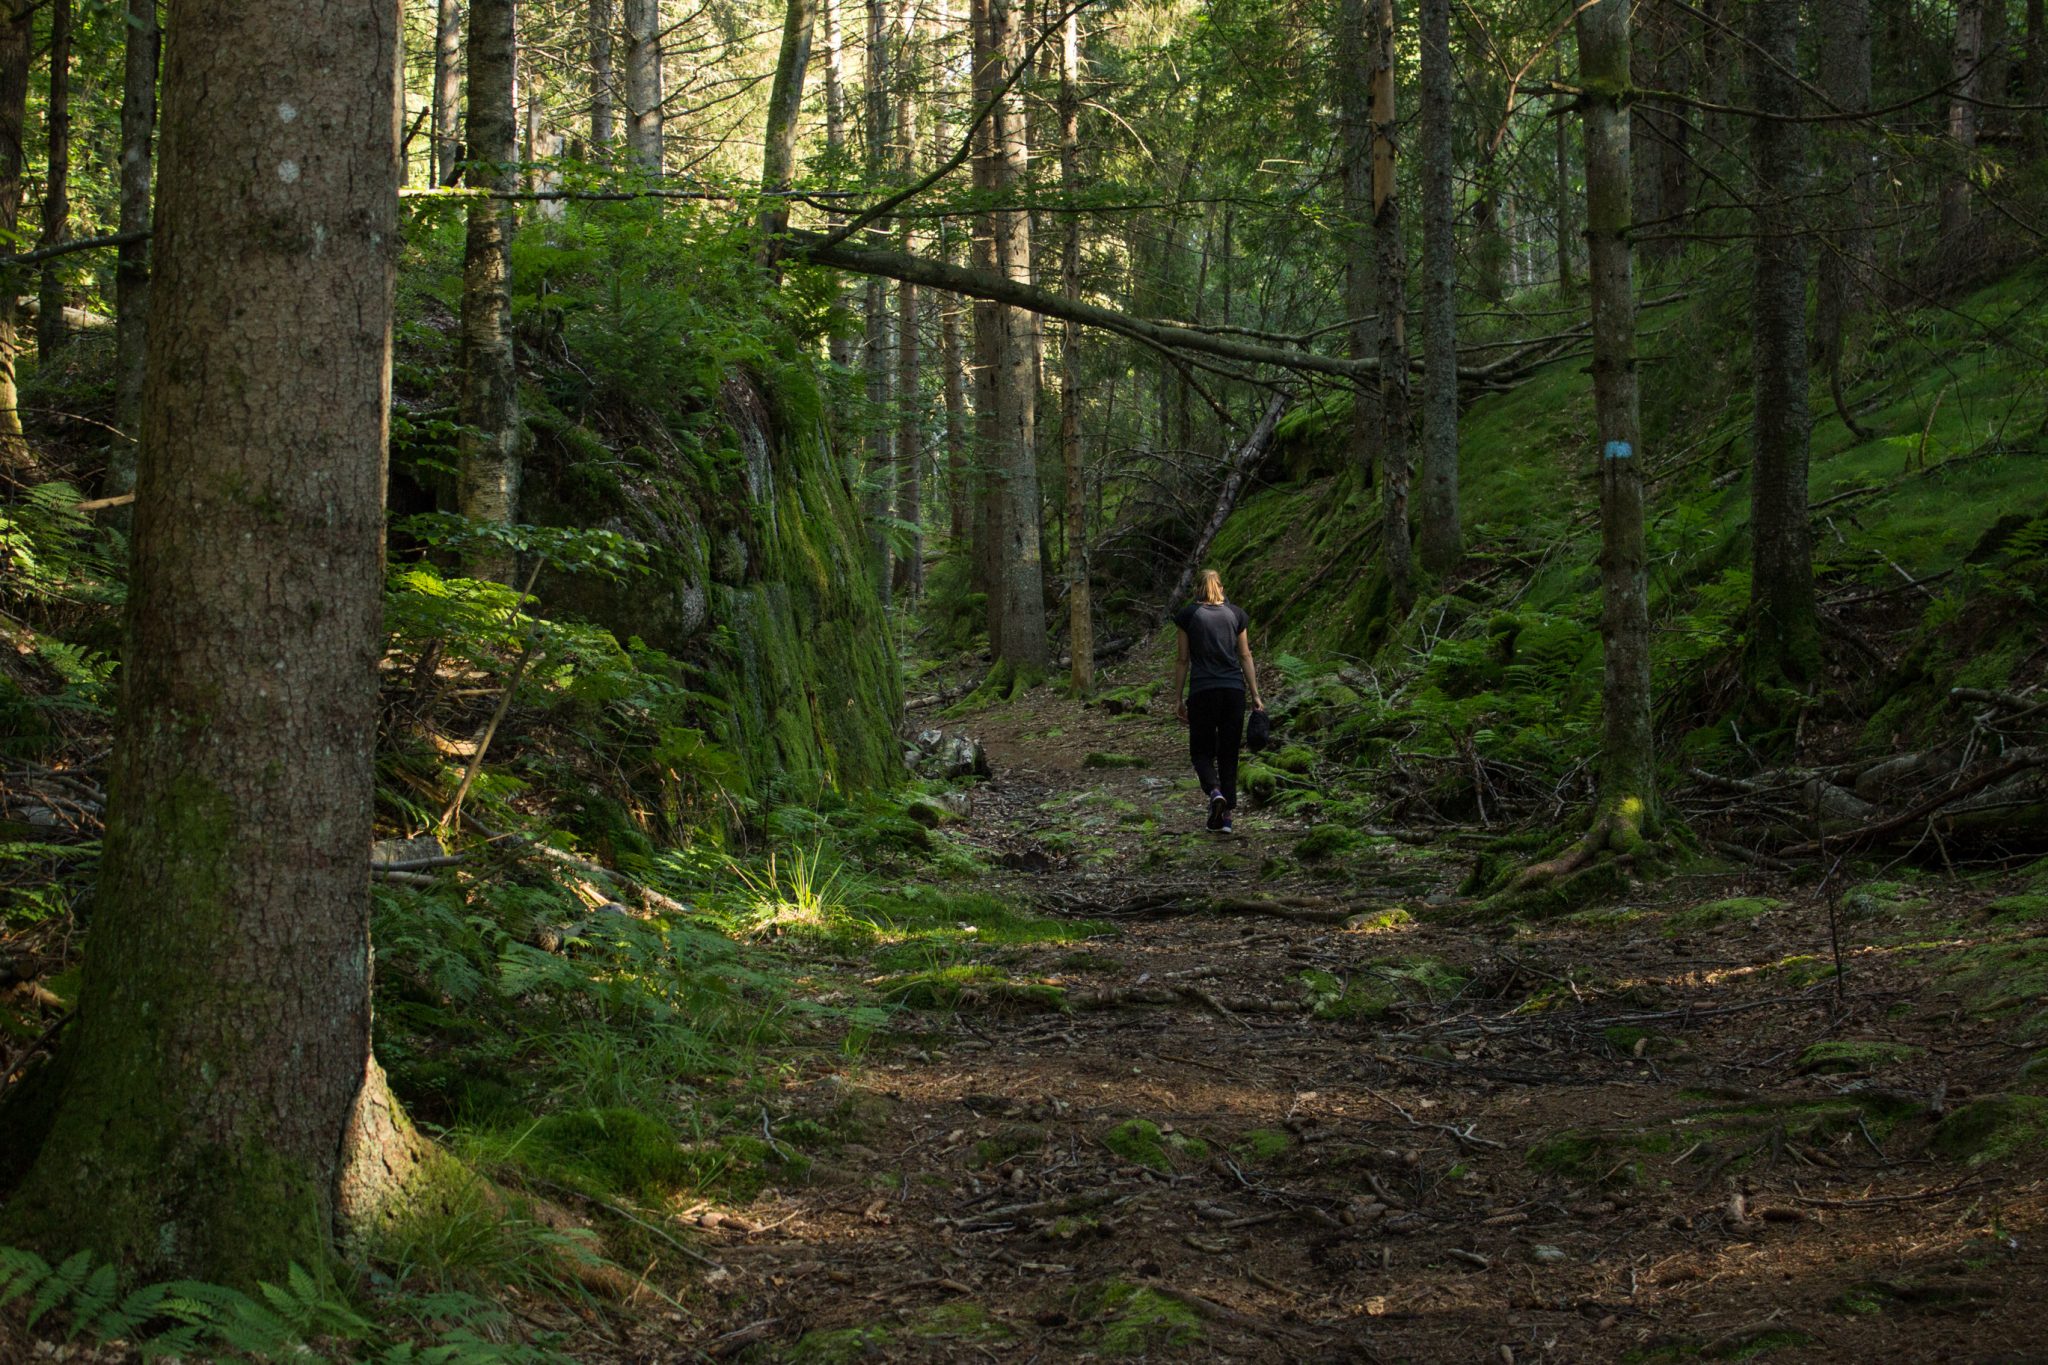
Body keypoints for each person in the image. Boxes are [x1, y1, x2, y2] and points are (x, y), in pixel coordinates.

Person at [1171, 569, 1264, 833]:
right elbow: (1245, 656)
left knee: (1201, 751)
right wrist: (1255, 694)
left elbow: (1182, 659)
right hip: (1234, 691)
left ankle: (1214, 792)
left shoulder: (1188, 616)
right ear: (1220, 587)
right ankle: (1226, 819)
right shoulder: (1236, 614)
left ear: (1197, 589)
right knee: (1229, 752)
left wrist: (1177, 697)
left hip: (1203, 692)